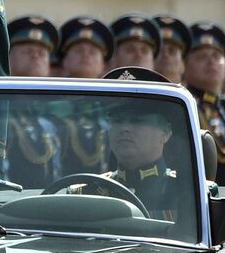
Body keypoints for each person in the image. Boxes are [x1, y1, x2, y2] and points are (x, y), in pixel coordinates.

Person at [78, 68, 187, 223]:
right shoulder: (85, 194)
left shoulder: (186, 193)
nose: (124, 128)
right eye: (117, 120)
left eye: (138, 120)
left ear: (165, 132)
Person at [4, 16, 62, 188]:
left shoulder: (51, 115)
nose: (36, 56)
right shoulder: (0, 110)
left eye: (42, 53)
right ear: (8, 57)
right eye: (28, 51)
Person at [184, 22, 225, 187]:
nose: (211, 62)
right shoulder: (186, 106)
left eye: (217, 56)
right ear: (185, 65)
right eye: (201, 57)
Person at [55, 17, 114, 174]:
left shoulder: (113, 107)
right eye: (78, 50)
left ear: (104, 66)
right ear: (65, 62)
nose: (86, 55)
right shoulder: (50, 108)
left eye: (93, 52)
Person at [154, 15, 190, 83]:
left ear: (183, 64)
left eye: (172, 50)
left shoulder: (189, 94)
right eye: (160, 50)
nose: (165, 54)